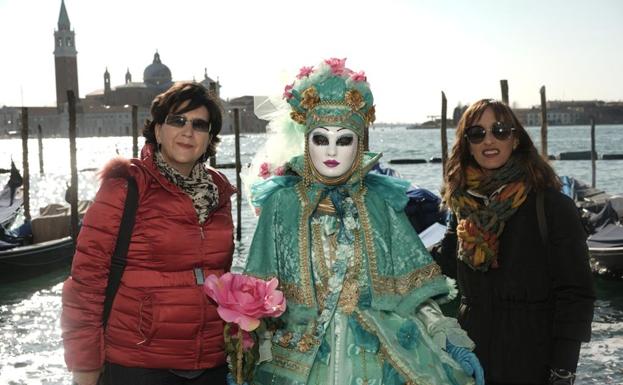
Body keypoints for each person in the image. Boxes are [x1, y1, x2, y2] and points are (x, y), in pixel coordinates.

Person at [243, 58, 484, 385]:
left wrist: (444, 336)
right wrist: (244, 350)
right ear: (306, 141)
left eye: (344, 140)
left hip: (380, 354)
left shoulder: (379, 201)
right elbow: (256, 293)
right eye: (320, 139)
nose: (331, 151)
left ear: (359, 144)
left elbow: (411, 292)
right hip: (298, 361)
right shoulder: (281, 204)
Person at [61, 82, 235, 385]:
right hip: (139, 364)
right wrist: (85, 368)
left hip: (211, 364)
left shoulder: (218, 192)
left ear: (209, 138)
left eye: (199, 124)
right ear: (157, 130)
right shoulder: (125, 187)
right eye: (177, 120)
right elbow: (86, 285)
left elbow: (221, 274)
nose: (187, 131)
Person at [440, 99, 595, 385]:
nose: (489, 140)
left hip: (532, 362)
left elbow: (576, 294)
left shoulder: (552, 206)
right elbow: (442, 277)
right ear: (467, 144)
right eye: (477, 133)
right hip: (470, 363)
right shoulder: (461, 208)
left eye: (499, 130)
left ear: (515, 138)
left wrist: (562, 371)